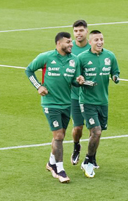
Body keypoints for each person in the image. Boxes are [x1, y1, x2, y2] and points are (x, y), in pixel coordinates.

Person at [25, 32, 84, 183]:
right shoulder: (46, 57)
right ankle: (60, 169)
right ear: (58, 44)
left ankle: (51, 163)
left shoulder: (74, 60)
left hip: (67, 103)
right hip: (50, 103)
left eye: (71, 42)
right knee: (58, 136)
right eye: (68, 42)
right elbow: (29, 70)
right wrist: (38, 86)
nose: (71, 44)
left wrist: (79, 80)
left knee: (61, 135)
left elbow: (74, 81)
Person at [76, 29, 120, 176]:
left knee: (96, 133)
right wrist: (80, 79)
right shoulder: (82, 58)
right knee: (97, 131)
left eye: (101, 39)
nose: (100, 42)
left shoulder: (110, 55)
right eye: (96, 40)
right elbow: (76, 76)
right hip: (87, 101)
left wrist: (115, 77)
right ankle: (87, 161)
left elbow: (115, 71)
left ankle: (93, 157)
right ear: (90, 42)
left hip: (103, 101)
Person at [69, 20, 90, 165]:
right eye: (76, 31)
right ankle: (76, 146)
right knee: (77, 127)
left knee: (95, 129)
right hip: (74, 96)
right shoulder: (69, 49)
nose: (78, 33)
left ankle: (91, 157)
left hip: (91, 96)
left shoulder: (93, 48)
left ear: (86, 31)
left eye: (81, 30)